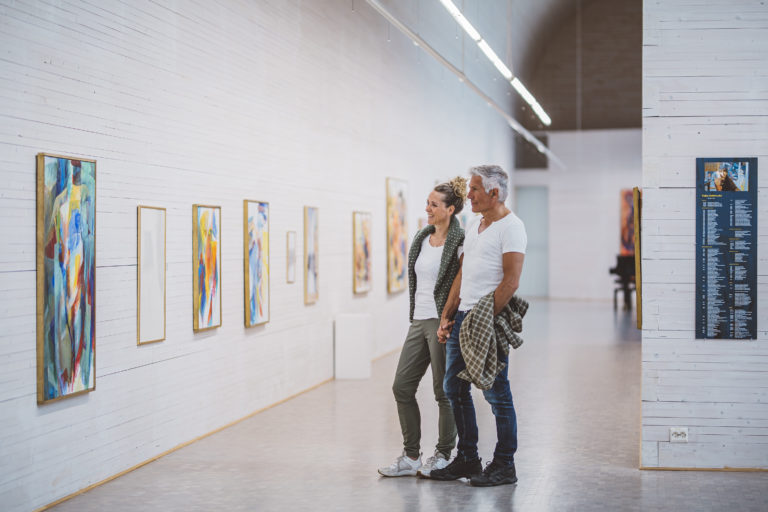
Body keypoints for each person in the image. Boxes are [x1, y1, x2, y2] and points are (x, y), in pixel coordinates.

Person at [430, 165, 527, 487]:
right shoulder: (474, 224)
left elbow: (510, 282)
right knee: (453, 388)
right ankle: (468, 459)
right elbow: (463, 272)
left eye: (473, 189)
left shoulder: (512, 228)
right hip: (462, 318)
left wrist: (483, 321)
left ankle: (504, 465)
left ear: (494, 193)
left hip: (486, 321)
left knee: (497, 394)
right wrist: (448, 314)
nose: (468, 195)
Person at [378, 177, 467, 478]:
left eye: (433, 204)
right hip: (419, 320)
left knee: (444, 392)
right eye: (427, 203)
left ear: (450, 209)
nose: (427, 208)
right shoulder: (421, 237)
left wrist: (449, 316)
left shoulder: (460, 241)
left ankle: (442, 454)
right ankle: (411, 455)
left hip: (444, 322)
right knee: (401, 386)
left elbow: (464, 280)